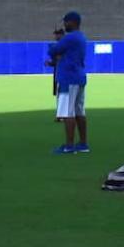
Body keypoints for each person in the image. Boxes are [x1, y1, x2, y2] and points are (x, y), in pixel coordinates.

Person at [48, 11, 89, 154]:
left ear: (72, 22)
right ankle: (83, 144)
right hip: (79, 77)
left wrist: (58, 41)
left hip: (68, 78)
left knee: (67, 113)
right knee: (79, 112)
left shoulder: (70, 38)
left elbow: (54, 50)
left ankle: (69, 146)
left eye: (66, 22)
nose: (64, 24)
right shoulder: (81, 37)